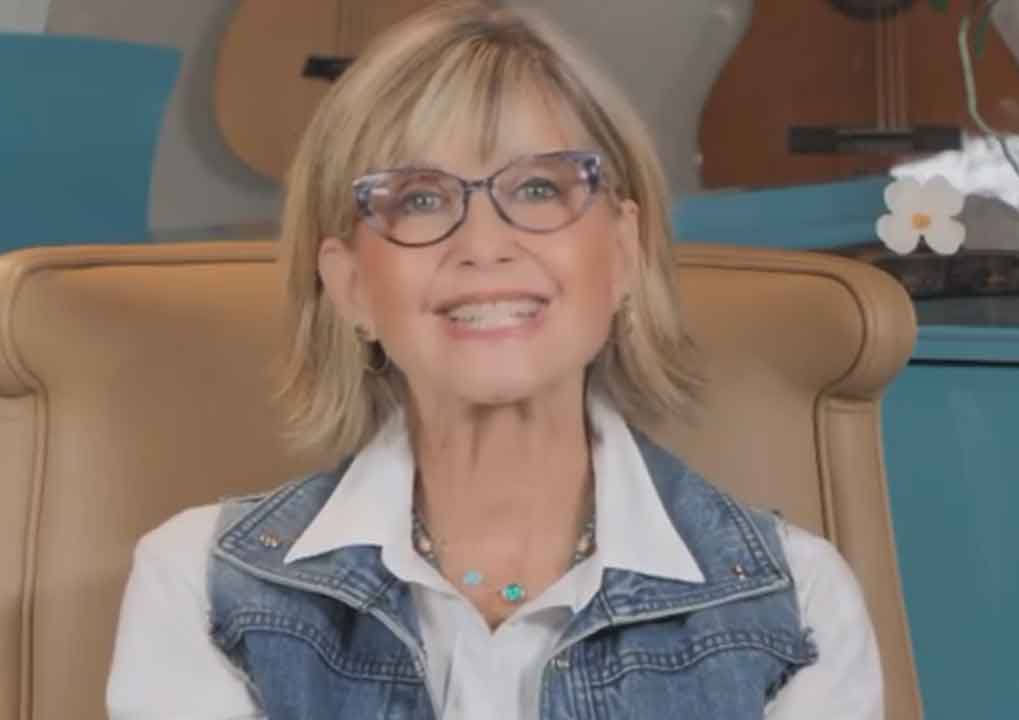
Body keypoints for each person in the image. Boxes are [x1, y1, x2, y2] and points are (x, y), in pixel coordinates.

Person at [106, 2, 883, 718]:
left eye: (539, 188)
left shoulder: (799, 605)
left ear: (624, 253)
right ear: (350, 287)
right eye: (419, 199)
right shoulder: (200, 589)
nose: (483, 245)